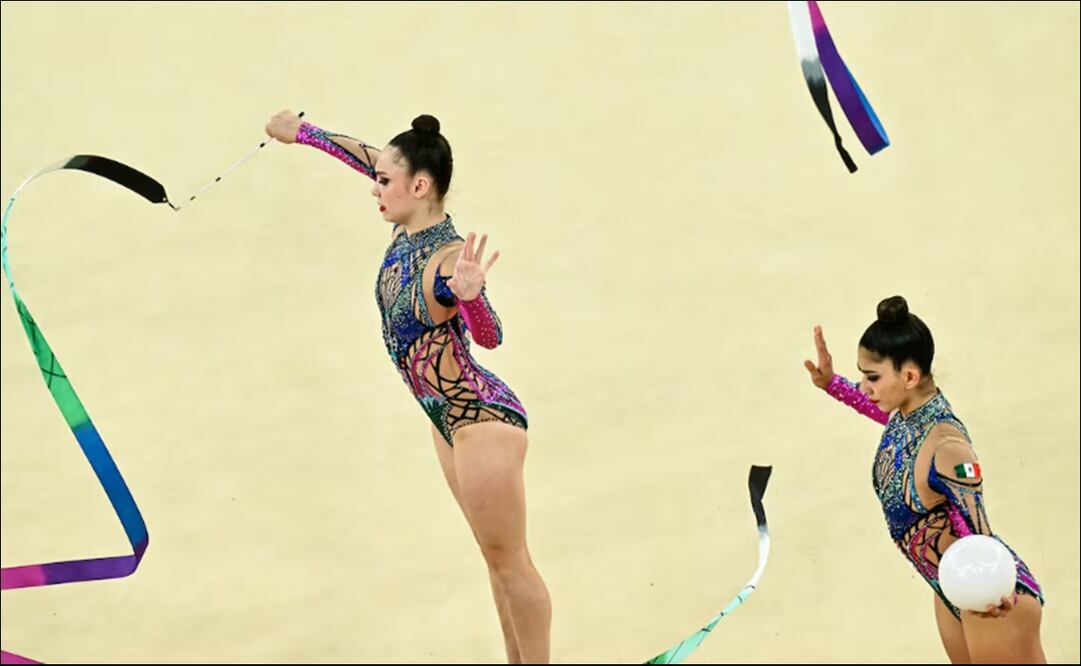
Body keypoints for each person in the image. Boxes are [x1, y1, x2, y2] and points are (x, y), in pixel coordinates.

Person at [265, 110, 551, 663]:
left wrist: (469, 296)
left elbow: (489, 337)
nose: (375, 185)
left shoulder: (444, 260)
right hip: (445, 421)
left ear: (419, 187)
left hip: (480, 422)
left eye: (385, 182)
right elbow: (366, 155)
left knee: (512, 564)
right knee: (495, 562)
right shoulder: (410, 218)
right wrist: (300, 133)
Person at [803, 295, 1045, 664]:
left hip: (992, 598)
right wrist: (831, 383)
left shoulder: (947, 446)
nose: (865, 386)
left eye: (872, 377)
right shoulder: (906, 416)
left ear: (910, 376)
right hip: (949, 584)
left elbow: (979, 531)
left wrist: (995, 592)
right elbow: (872, 408)